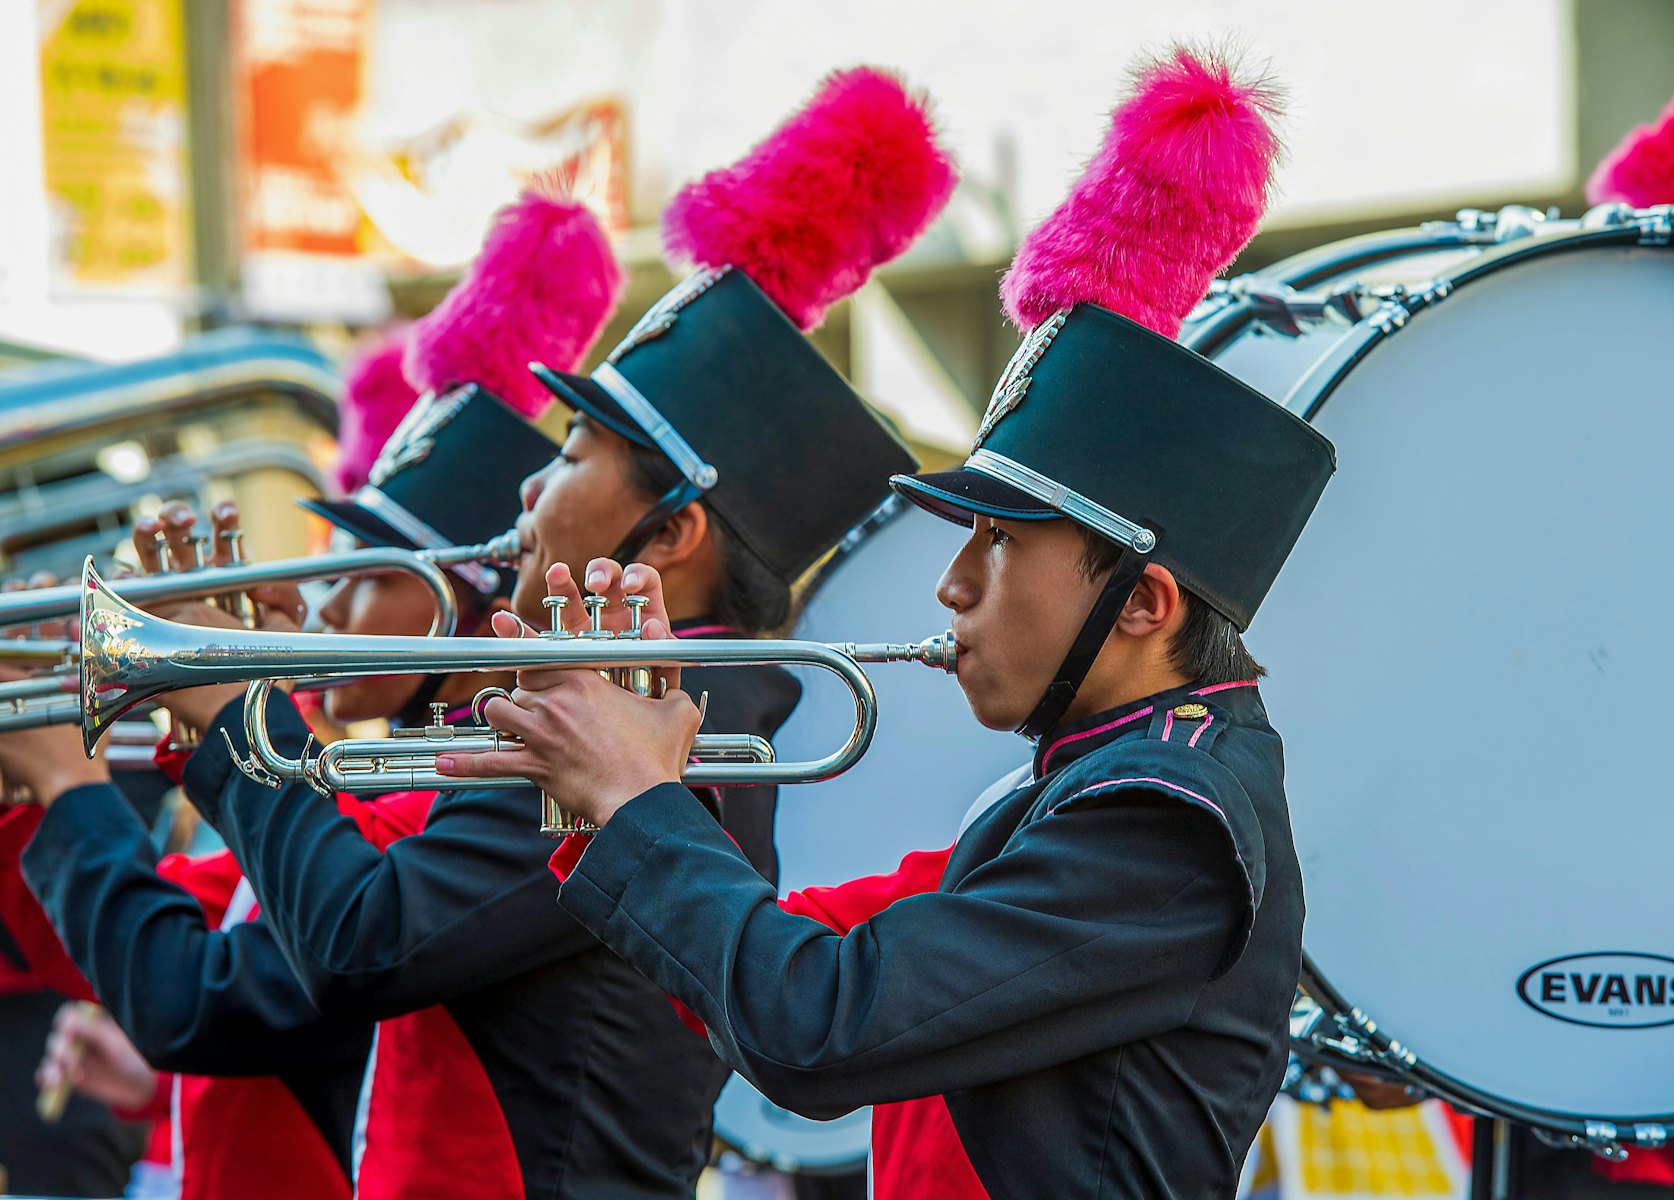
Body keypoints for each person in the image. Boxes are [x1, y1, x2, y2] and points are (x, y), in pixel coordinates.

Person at [445, 46, 1335, 1200]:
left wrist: (640, 801)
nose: (950, 586)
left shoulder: (1162, 824)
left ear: (1146, 604)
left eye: (1000, 545)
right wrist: (639, 784)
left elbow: (819, 1030)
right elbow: (776, 963)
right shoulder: (1094, 780)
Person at [133, 68, 945, 1199]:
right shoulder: (633, 694)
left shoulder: (632, 713)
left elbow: (368, 937)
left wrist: (235, 715)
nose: (523, 496)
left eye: (565, 457)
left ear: (672, 534)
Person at [0, 190, 613, 1200]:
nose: (324, 600)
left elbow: (209, 996)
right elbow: (156, 963)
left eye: (365, 575)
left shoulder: (434, 807)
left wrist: (81, 785)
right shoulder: (359, 792)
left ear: (463, 607)